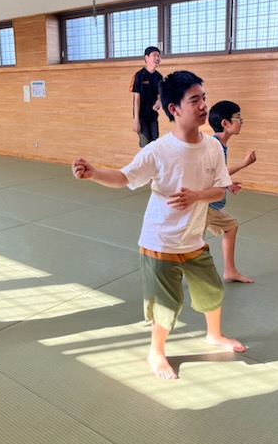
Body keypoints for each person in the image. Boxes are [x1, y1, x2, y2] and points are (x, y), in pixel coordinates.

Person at [73, 71, 245, 380]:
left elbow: (220, 190)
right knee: (166, 305)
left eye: (204, 98)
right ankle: (156, 352)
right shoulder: (158, 150)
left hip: (193, 240)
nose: (203, 106)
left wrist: (197, 196)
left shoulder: (212, 148)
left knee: (212, 290)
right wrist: (95, 173)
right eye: (195, 100)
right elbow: (124, 178)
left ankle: (214, 335)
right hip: (160, 242)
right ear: (174, 109)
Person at [207, 100, 256, 283]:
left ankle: (230, 271)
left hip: (212, 205)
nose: (241, 121)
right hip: (204, 205)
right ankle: (172, 274)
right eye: (238, 118)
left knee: (231, 225)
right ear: (225, 123)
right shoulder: (214, 146)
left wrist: (227, 184)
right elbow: (210, 175)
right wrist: (244, 164)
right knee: (191, 244)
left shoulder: (220, 145)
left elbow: (216, 174)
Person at [129, 46, 162, 147]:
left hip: (153, 116)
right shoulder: (139, 75)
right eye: (154, 55)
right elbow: (136, 99)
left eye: (158, 56)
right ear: (146, 58)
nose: (157, 58)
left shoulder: (159, 77)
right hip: (141, 117)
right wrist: (136, 120)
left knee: (155, 144)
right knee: (144, 144)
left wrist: (159, 102)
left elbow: (159, 95)